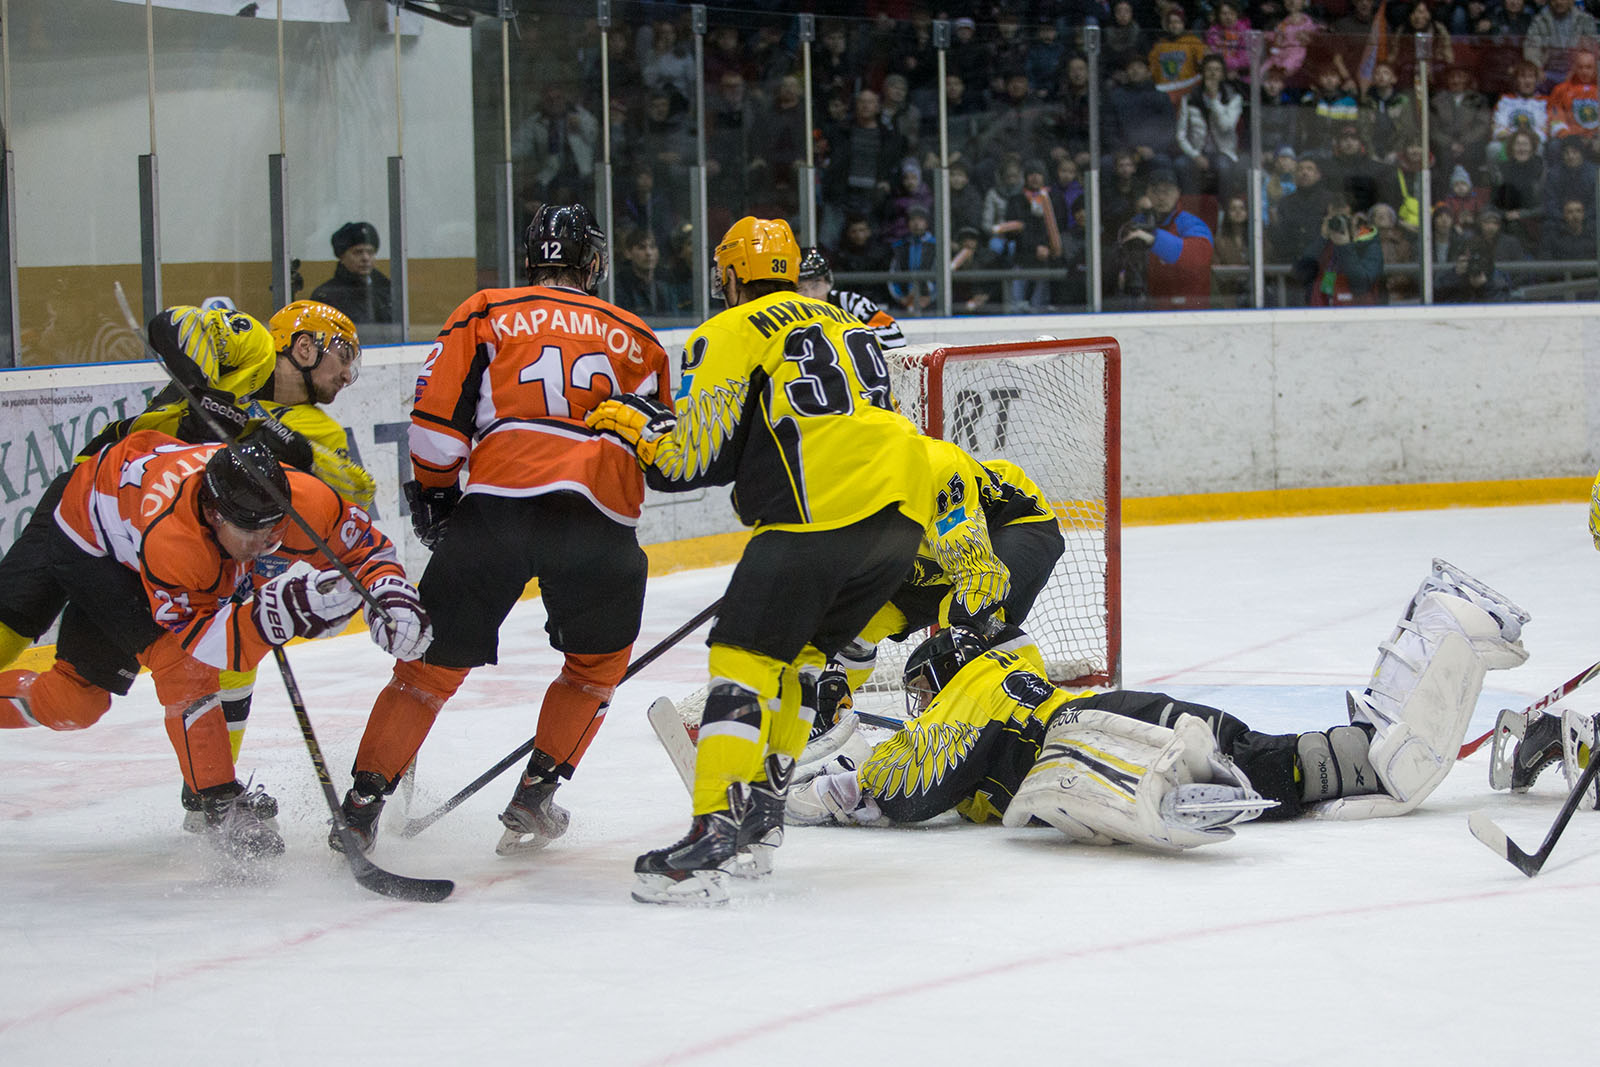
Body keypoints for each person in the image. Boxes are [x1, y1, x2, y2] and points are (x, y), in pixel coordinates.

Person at [585, 216, 934, 906]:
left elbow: (690, 457)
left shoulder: (734, 327)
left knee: (742, 660)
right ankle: (762, 819)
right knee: (798, 659)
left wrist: (635, 424)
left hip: (823, 508)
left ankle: (712, 835)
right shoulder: (846, 323)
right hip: (904, 514)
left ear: (730, 276)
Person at [333, 204, 671, 857]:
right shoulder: (642, 338)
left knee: (426, 669)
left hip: (498, 505)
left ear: (530, 259)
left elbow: (436, 419)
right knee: (594, 668)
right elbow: (661, 448)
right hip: (599, 517)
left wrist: (436, 493)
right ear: (592, 262)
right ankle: (536, 795)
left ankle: (360, 807)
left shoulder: (487, 309)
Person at [788, 563, 1530, 845]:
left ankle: (1434, 648)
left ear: (951, 672)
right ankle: (1369, 731)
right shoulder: (1005, 675)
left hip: (1100, 738)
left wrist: (821, 789)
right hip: (1121, 716)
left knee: (1266, 769)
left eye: (924, 689)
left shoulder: (970, 698)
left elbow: (915, 788)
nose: (920, 705)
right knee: (1255, 759)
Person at [0, 431, 429, 860]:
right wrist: (274, 616)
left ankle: (212, 792)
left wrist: (388, 592)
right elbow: (202, 647)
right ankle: (220, 803)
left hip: (142, 518)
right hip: (97, 547)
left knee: (78, 706)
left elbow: (367, 550)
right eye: (251, 533)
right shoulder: (177, 543)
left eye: (275, 530)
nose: (266, 544)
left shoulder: (303, 501)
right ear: (213, 514)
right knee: (117, 686)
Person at [1119, 168, 1215, 309]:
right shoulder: (1137, 223)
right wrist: (1123, 271)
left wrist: (1154, 239)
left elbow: (1199, 257)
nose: (1161, 197)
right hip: (1149, 307)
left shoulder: (1192, 223)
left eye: (1167, 191)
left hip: (1188, 309)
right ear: (1147, 193)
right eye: (1156, 191)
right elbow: (1121, 257)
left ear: (1178, 193)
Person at [796, 246, 906, 350]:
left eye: (816, 286)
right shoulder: (787, 312)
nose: (810, 295)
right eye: (800, 288)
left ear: (827, 282)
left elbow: (896, 339)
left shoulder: (849, 302)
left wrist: (837, 337)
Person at [1293, 191, 1385, 305]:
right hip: (1325, 306)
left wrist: (1345, 246)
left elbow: (1361, 284)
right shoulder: (1324, 242)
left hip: (1359, 309)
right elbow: (1301, 274)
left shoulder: (1369, 242)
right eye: (1334, 219)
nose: (1339, 224)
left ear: (1356, 219)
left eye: (1344, 219)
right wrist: (1322, 238)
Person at [1175, 53, 1245, 199]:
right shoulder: (1189, 98)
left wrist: (1214, 100)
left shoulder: (1234, 98)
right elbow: (1180, 135)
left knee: (1223, 166)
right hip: (1197, 151)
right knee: (1181, 164)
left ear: (1223, 74)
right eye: (1209, 69)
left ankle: (1225, 208)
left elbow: (1226, 126)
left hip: (1223, 153)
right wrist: (1195, 155)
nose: (1213, 74)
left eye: (1217, 70)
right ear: (1202, 73)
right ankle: (1190, 206)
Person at [311, 221, 393, 326]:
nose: (365, 258)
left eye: (370, 252)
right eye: (358, 252)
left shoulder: (386, 290)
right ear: (342, 257)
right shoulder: (326, 296)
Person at [613, 227, 681, 319]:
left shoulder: (666, 284)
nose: (649, 253)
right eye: (641, 248)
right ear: (628, 253)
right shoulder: (620, 286)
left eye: (652, 247)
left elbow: (675, 318)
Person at [1436, 238, 1514, 303]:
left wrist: (1484, 286)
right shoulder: (1452, 275)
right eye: (1469, 259)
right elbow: (1437, 297)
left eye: (1477, 259)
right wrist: (1456, 277)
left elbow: (1502, 303)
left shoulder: (1498, 278)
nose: (1474, 264)